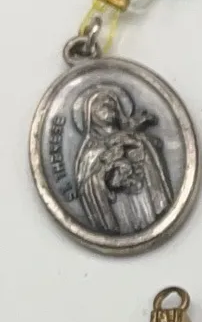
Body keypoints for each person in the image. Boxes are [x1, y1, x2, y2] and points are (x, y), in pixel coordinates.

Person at [71, 82, 173, 236]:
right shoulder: (90, 151)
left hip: (143, 199)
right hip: (117, 207)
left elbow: (153, 155)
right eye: (100, 103)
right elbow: (87, 185)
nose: (107, 105)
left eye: (112, 102)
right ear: (89, 114)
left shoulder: (135, 137)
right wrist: (106, 170)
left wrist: (138, 147)